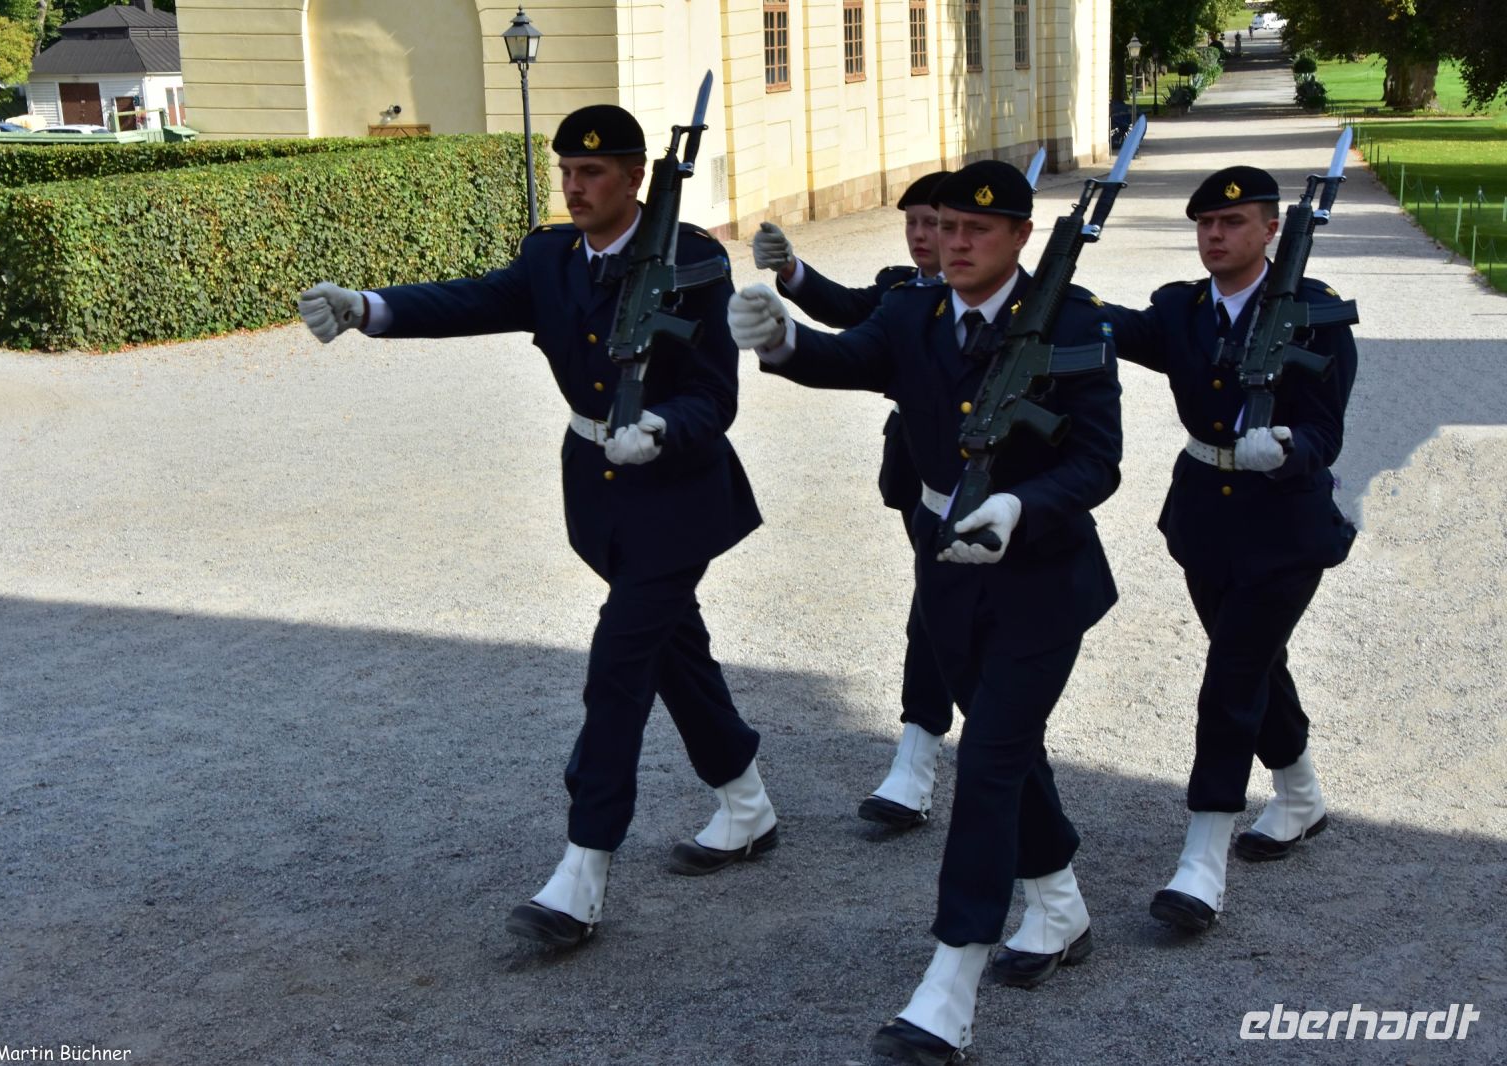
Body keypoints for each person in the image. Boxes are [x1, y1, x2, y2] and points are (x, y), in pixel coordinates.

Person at [296, 104, 776, 951]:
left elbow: (715, 396)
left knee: (619, 666)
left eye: (593, 173)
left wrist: (662, 427)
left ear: (636, 178)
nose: (575, 185)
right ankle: (745, 800)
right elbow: (473, 299)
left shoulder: (692, 260)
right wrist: (368, 307)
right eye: (566, 171)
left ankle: (582, 873)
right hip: (595, 493)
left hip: (675, 497)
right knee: (671, 647)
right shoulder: (550, 256)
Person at [728, 161, 1121, 1065]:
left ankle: (950, 983)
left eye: (975, 231)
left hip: (1041, 577)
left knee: (985, 763)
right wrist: (779, 342)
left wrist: (1021, 507)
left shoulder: (1072, 319)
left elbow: (1097, 461)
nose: (952, 245)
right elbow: (849, 359)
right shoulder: (913, 310)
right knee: (1005, 746)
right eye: (942, 228)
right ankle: (1060, 906)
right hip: (946, 566)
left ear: (1022, 236)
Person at [1103, 166, 1357, 933]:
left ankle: (1201, 863)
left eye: (1235, 222)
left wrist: (1286, 445)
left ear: (1272, 229)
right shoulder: (1182, 309)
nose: (1217, 236)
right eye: (1207, 224)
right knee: (1254, 662)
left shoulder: (1315, 316)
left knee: (1230, 678)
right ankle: (1303, 796)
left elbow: (1325, 429)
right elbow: (1114, 329)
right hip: (1203, 523)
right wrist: (1034, 292)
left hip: (1283, 530)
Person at [751, 172, 958, 831]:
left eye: (935, 222)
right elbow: (846, 314)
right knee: (935, 605)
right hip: (919, 472)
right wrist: (792, 273)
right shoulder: (900, 287)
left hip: (997, 486)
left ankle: (934, 761)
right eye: (914, 223)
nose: (923, 236)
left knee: (950, 612)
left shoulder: (1009, 300)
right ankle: (918, 763)